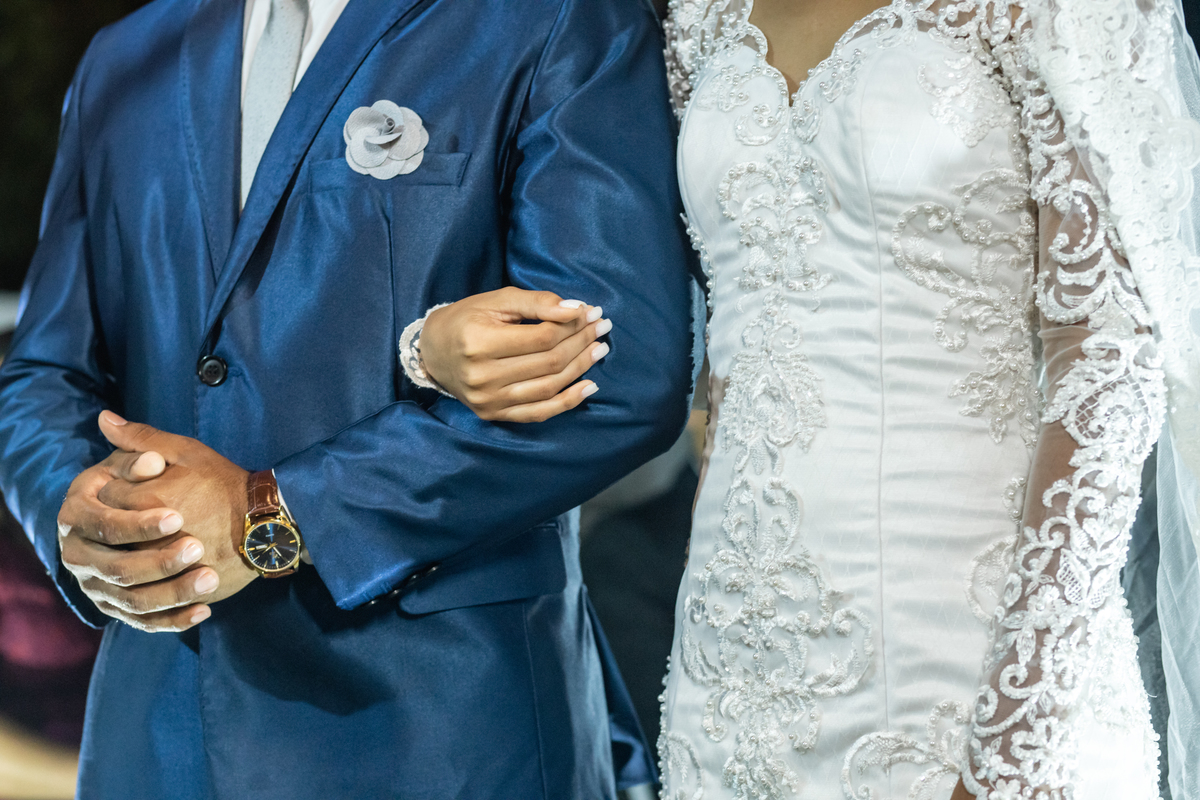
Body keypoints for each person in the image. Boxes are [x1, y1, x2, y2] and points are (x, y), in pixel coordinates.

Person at [407, 0, 1200, 797]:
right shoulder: (698, 18)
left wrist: (1020, 724)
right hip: (732, 670)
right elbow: (695, 329)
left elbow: (1106, 361)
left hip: (971, 658)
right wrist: (424, 346)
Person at [0, 0, 701, 797]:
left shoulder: (554, 20)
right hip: (161, 728)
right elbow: (43, 374)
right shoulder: (124, 56)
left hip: (443, 726)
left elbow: (618, 381)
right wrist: (89, 514)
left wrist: (274, 512)